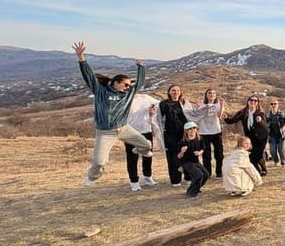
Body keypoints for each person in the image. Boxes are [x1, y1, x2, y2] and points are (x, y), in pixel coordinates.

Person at [73, 41, 153, 187]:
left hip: (123, 128)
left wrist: (141, 68)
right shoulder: (101, 92)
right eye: (126, 84)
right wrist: (81, 58)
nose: (128, 87)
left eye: (129, 85)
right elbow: (89, 77)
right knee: (99, 162)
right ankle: (92, 177)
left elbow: (140, 83)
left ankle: (139, 149)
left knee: (147, 146)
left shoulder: (128, 93)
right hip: (105, 131)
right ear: (116, 82)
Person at [157, 85, 197, 186]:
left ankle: (189, 177)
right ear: (169, 92)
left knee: (187, 155)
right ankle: (175, 180)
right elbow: (158, 119)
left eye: (178, 90)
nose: (176, 92)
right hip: (170, 134)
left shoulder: (184, 102)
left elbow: (193, 115)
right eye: (173, 90)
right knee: (172, 156)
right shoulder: (163, 104)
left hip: (184, 133)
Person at [225, 95, 269, 176]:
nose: (253, 102)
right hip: (250, 138)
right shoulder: (243, 112)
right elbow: (232, 121)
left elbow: (263, 121)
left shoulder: (260, 113)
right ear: (248, 102)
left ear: (257, 103)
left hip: (261, 137)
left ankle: (263, 170)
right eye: (251, 100)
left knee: (258, 155)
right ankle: (258, 171)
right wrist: (225, 118)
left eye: (255, 101)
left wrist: (259, 120)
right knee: (252, 156)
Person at [125, 93, 161, 191]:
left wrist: (152, 111)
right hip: (130, 133)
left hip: (146, 131)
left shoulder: (145, 97)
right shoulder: (123, 99)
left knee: (148, 156)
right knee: (132, 158)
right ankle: (134, 181)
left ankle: (147, 176)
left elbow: (160, 104)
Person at [196, 88, 226, 179]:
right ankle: (207, 173)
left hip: (216, 132)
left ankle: (219, 172)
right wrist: (198, 108)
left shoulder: (218, 104)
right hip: (204, 132)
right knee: (206, 154)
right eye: (209, 93)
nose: (212, 95)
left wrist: (221, 105)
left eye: (214, 93)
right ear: (206, 95)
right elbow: (197, 115)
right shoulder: (201, 104)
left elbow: (219, 116)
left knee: (219, 153)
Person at [178, 122, 209, 198]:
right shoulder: (182, 142)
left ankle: (196, 188)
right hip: (186, 162)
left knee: (206, 174)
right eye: (190, 129)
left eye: (194, 128)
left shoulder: (199, 139)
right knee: (199, 175)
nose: (192, 130)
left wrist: (199, 153)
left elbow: (203, 149)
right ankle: (191, 193)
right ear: (186, 131)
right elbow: (178, 156)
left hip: (195, 161)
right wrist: (182, 152)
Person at [266, 99, 285, 168]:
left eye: (275, 104)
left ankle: (283, 163)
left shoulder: (282, 114)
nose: (273, 105)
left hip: (282, 135)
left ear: (278, 105)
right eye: (272, 104)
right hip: (272, 135)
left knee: (281, 150)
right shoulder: (267, 115)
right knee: (272, 150)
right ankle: (276, 161)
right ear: (270, 105)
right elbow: (264, 123)